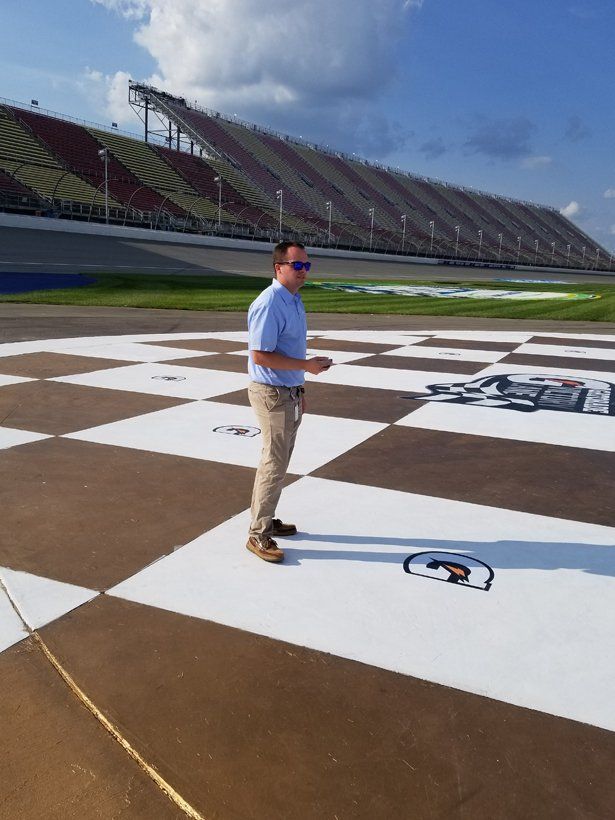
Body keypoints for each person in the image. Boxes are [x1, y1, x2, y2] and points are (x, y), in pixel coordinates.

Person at [246, 241, 332, 563]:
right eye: (297, 266)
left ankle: (265, 519)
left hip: (289, 391)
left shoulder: (294, 300)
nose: (304, 272)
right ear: (278, 267)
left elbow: (290, 351)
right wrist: (306, 367)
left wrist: (301, 387)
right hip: (271, 393)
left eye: (307, 266)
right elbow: (260, 355)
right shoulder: (269, 303)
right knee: (273, 462)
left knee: (278, 462)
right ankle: (258, 533)